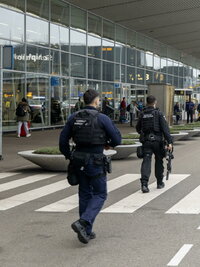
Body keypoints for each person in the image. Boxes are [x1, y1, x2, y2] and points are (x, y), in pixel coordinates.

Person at [59, 89, 121, 244]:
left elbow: (62, 141)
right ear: (95, 101)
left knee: (85, 193)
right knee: (100, 194)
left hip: (78, 160)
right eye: (99, 100)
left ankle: (86, 231)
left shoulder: (73, 117)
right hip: (95, 160)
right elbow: (117, 139)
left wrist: (70, 156)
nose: (99, 102)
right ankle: (83, 222)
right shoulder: (102, 118)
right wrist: (107, 144)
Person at [136, 95, 173, 193]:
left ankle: (144, 184)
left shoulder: (142, 114)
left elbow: (138, 128)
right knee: (159, 161)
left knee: (146, 161)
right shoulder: (158, 113)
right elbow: (165, 129)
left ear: (146, 102)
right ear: (155, 102)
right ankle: (159, 182)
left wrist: (143, 134)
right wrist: (170, 142)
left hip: (147, 141)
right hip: (157, 141)